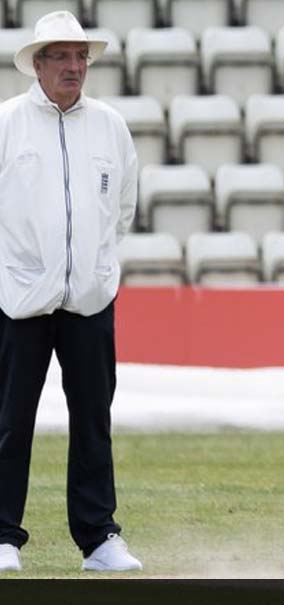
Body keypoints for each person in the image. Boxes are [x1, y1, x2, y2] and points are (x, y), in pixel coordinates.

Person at [0, 11, 141, 572]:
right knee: (11, 421)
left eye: (80, 56)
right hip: (18, 299)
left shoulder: (110, 125)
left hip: (89, 299)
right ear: (37, 64)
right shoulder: (7, 122)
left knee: (93, 420)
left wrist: (97, 268)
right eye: (60, 56)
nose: (74, 66)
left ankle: (99, 538)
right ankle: (3, 536)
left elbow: (123, 208)